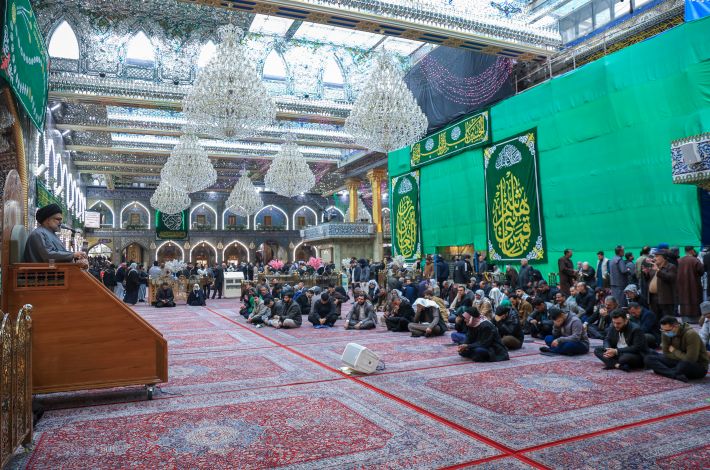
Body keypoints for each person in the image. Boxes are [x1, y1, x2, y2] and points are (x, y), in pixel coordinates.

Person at [644, 316, 708, 382]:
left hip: (696, 365)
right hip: (677, 361)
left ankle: (666, 371)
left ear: (676, 326)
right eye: (662, 330)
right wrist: (680, 356)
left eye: (667, 330)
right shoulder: (665, 332)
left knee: (684, 365)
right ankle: (674, 373)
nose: (665, 332)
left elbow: (691, 359)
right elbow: (666, 353)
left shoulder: (691, 334)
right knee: (649, 358)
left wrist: (674, 351)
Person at [24, 204, 88, 266]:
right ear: (47, 220)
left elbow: (60, 254)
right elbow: (48, 256)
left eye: (61, 220)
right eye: (58, 219)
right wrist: (73, 255)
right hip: (42, 272)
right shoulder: (38, 234)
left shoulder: (51, 234)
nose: (61, 222)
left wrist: (76, 257)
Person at [647, 250, 677, 320]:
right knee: (655, 319)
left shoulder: (671, 266)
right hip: (653, 298)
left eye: (657, 256)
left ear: (664, 258)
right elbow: (650, 279)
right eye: (655, 256)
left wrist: (658, 270)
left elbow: (670, 278)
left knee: (667, 319)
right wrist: (646, 273)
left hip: (665, 298)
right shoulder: (654, 266)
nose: (655, 258)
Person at [677, 246, 703, 322]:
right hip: (694, 285)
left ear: (685, 251)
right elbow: (701, 271)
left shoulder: (679, 260)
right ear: (692, 250)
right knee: (694, 299)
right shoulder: (695, 260)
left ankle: (685, 318)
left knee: (683, 300)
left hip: (681, 286)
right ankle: (694, 319)